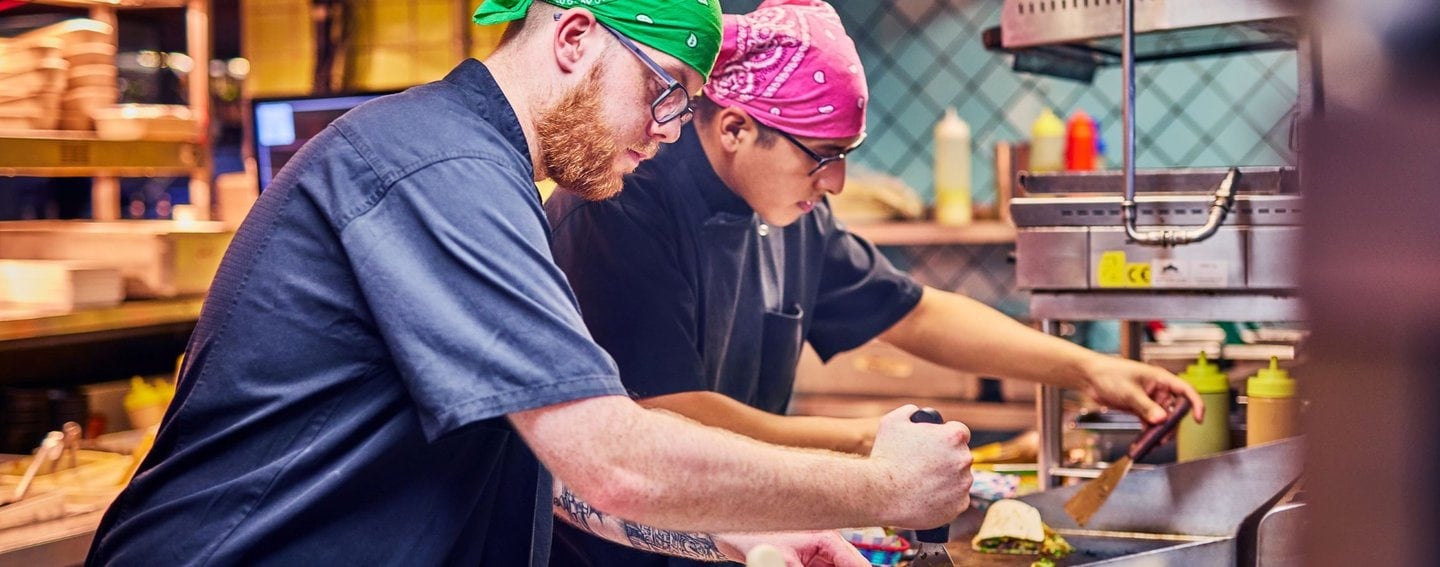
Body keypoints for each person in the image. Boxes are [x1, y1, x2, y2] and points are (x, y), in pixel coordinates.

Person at [84, 2, 977, 565]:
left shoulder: (499, 183)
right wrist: (882, 486)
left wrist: (740, 532)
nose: (673, 130)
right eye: (665, 91)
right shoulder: (436, 168)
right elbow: (617, 459)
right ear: (577, 37)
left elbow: (558, 480)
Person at [546, 1, 1206, 565]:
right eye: (823, 157)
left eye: (843, 157)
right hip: (612, 547)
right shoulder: (621, 203)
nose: (835, 182)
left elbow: (913, 312)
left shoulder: (794, 213)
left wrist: (1089, 368)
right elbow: (670, 410)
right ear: (737, 129)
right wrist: (871, 446)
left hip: (734, 534)